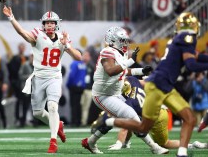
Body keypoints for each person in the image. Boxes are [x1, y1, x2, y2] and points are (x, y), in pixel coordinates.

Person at [105, 12, 208, 157]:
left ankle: (182, 153)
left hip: (161, 85)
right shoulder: (188, 38)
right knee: (145, 127)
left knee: (188, 118)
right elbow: (191, 64)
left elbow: (195, 56)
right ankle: (111, 122)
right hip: (159, 86)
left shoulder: (178, 39)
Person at [3, 6, 82, 153]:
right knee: (38, 113)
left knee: (52, 106)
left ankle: (53, 141)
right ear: (43, 25)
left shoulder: (63, 37)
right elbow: (22, 33)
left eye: (52, 22)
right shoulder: (38, 35)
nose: (50, 25)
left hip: (54, 77)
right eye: (47, 23)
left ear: (56, 24)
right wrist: (11, 18)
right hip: (38, 78)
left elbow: (79, 57)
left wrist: (67, 47)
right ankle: (57, 125)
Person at [81, 26, 168, 154]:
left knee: (118, 118)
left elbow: (122, 72)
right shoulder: (107, 52)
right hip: (103, 95)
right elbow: (111, 71)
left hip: (115, 93)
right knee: (132, 117)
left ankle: (90, 142)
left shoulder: (120, 54)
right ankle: (154, 147)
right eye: (122, 40)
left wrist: (140, 71)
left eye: (125, 40)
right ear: (113, 40)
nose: (125, 43)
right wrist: (131, 60)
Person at [92, 76, 207, 150]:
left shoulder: (127, 103)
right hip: (158, 108)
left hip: (157, 117)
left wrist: (118, 142)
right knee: (134, 122)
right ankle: (127, 143)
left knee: (165, 143)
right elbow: (147, 83)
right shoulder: (132, 80)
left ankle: (192, 146)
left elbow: (125, 126)